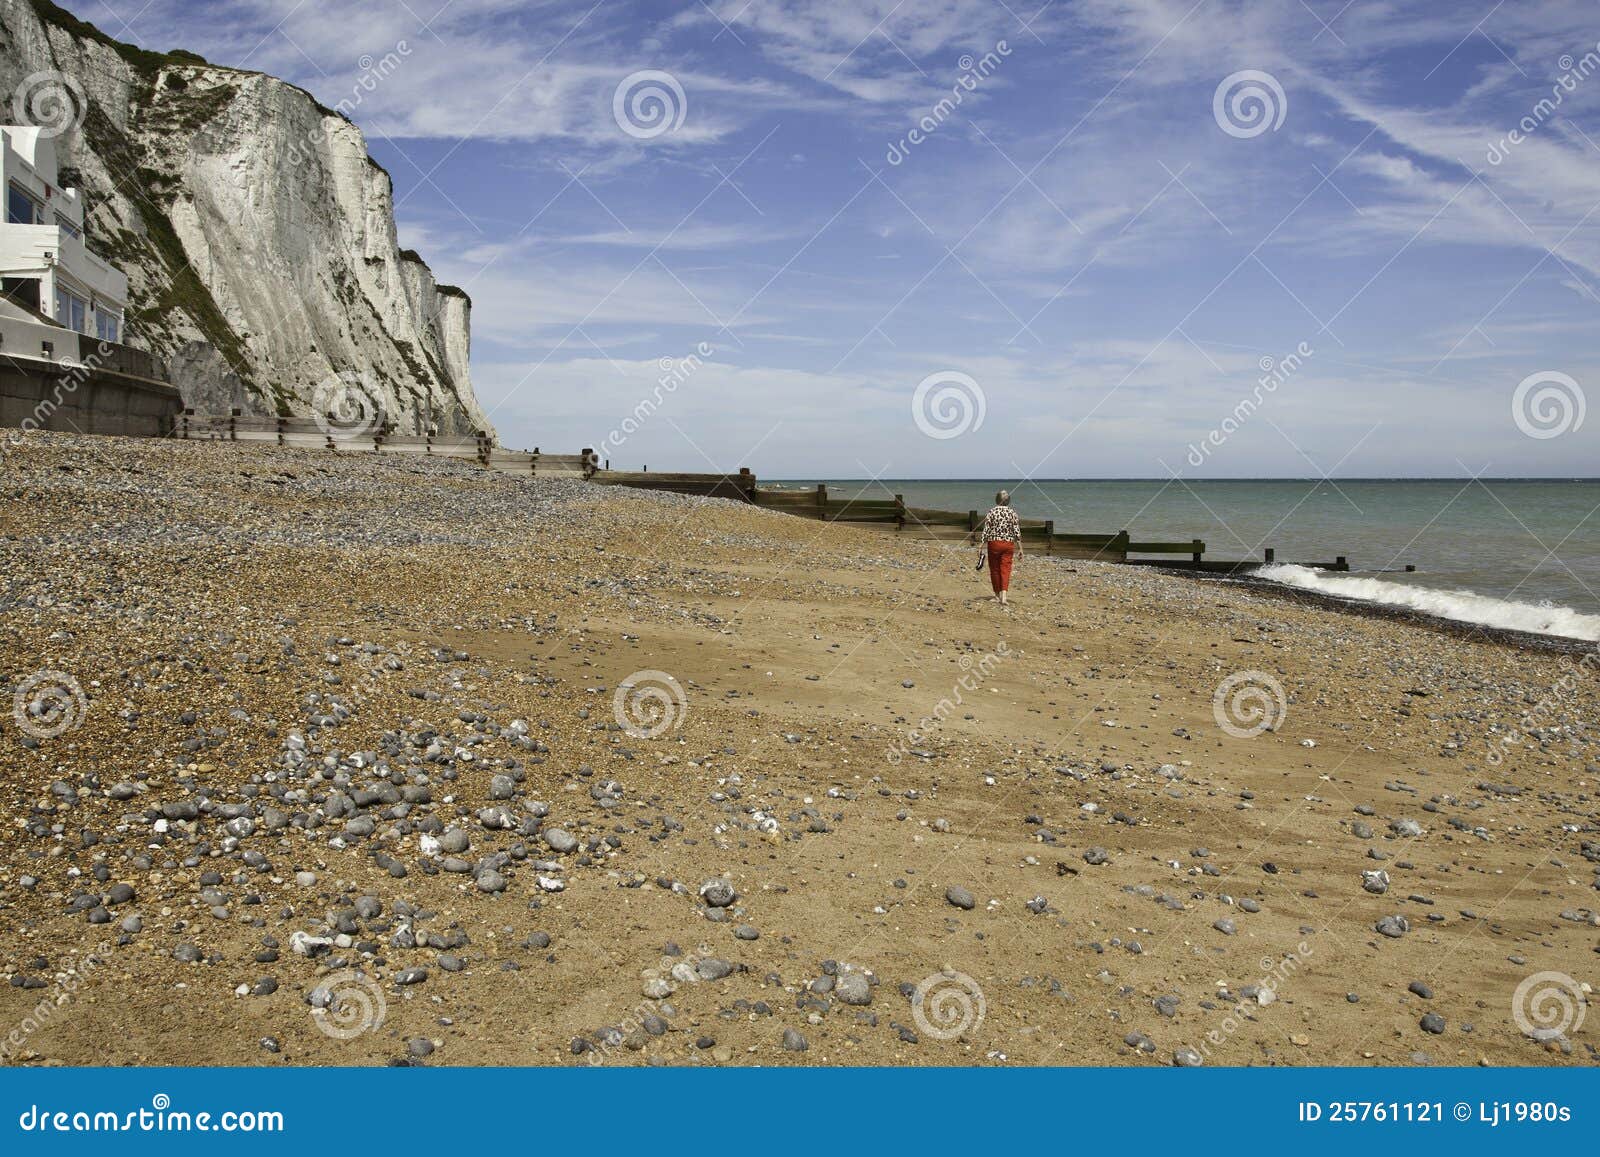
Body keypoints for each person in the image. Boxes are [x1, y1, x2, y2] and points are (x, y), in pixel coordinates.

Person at [976, 489, 1021, 605]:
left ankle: (997, 596)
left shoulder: (992, 512)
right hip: (1008, 544)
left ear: (997, 499)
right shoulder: (1013, 513)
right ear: (1008, 500)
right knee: (1006, 569)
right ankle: (1004, 597)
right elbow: (1016, 531)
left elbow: (986, 530)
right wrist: (1020, 548)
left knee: (995, 569)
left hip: (994, 543)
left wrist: (980, 545)